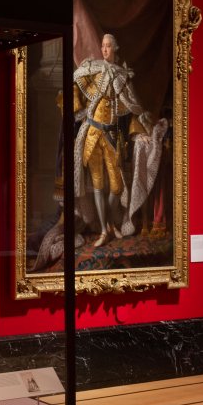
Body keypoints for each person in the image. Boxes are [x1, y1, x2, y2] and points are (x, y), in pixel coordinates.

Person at [70, 34, 156, 247]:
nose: (105, 49)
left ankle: (109, 222)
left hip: (111, 137)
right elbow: (74, 85)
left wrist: (138, 133)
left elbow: (132, 110)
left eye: (109, 46)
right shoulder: (93, 70)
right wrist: (76, 109)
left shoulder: (122, 76)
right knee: (98, 185)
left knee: (116, 187)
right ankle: (103, 230)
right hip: (91, 136)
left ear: (115, 48)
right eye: (103, 46)